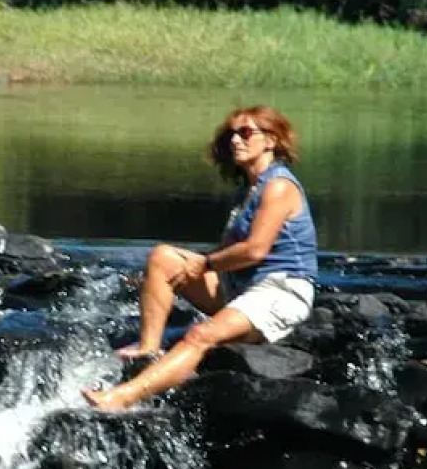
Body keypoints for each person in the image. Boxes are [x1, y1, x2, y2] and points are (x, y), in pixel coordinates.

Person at [83, 105, 318, 412]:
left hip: (282, 291)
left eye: (246, 133)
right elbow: (227, 254)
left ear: (270, 141)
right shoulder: (248, 192)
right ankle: (148, 350)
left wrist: (205, 264)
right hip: (243, 290)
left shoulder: (279, 187)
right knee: (163, 258)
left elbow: (255, 250)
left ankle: (120, 398)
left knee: (199, 335)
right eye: (231, 134)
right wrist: (191, 270)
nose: (236, 140)